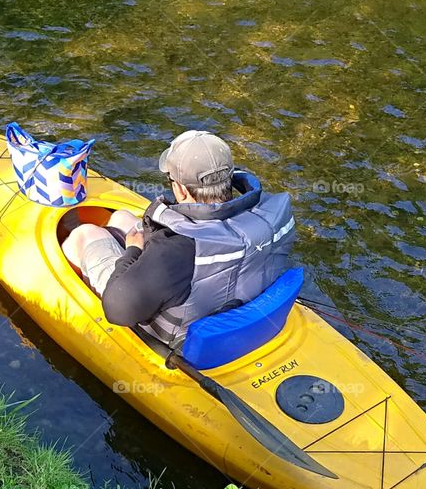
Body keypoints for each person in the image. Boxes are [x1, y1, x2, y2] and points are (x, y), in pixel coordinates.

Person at [61, 129, 295, 346]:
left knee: (86, 234)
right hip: (239, 314)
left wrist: (132, 252)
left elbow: (118, 310)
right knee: (121, 217)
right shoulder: (270, 214)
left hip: (181, 338)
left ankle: (79, 290)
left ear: (181, 189)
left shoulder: (176, 250)